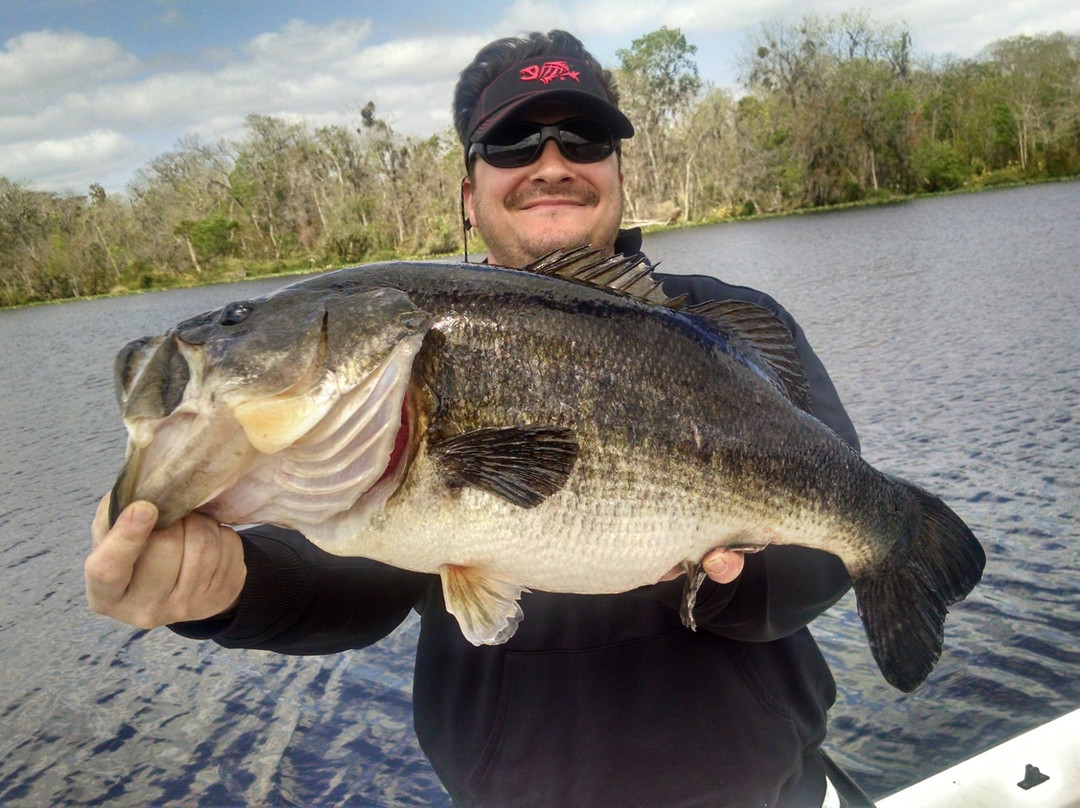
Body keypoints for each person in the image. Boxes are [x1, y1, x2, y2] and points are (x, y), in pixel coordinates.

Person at [87, 30, 861, 808]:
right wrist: (225, 587)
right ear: (469, 193)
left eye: (583, 139)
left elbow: (841, 537)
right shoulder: (397, 375)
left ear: (619, 174)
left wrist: (726, 576)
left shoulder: (734, 328)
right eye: (512, 142)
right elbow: (346, 584)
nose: (550, 162)